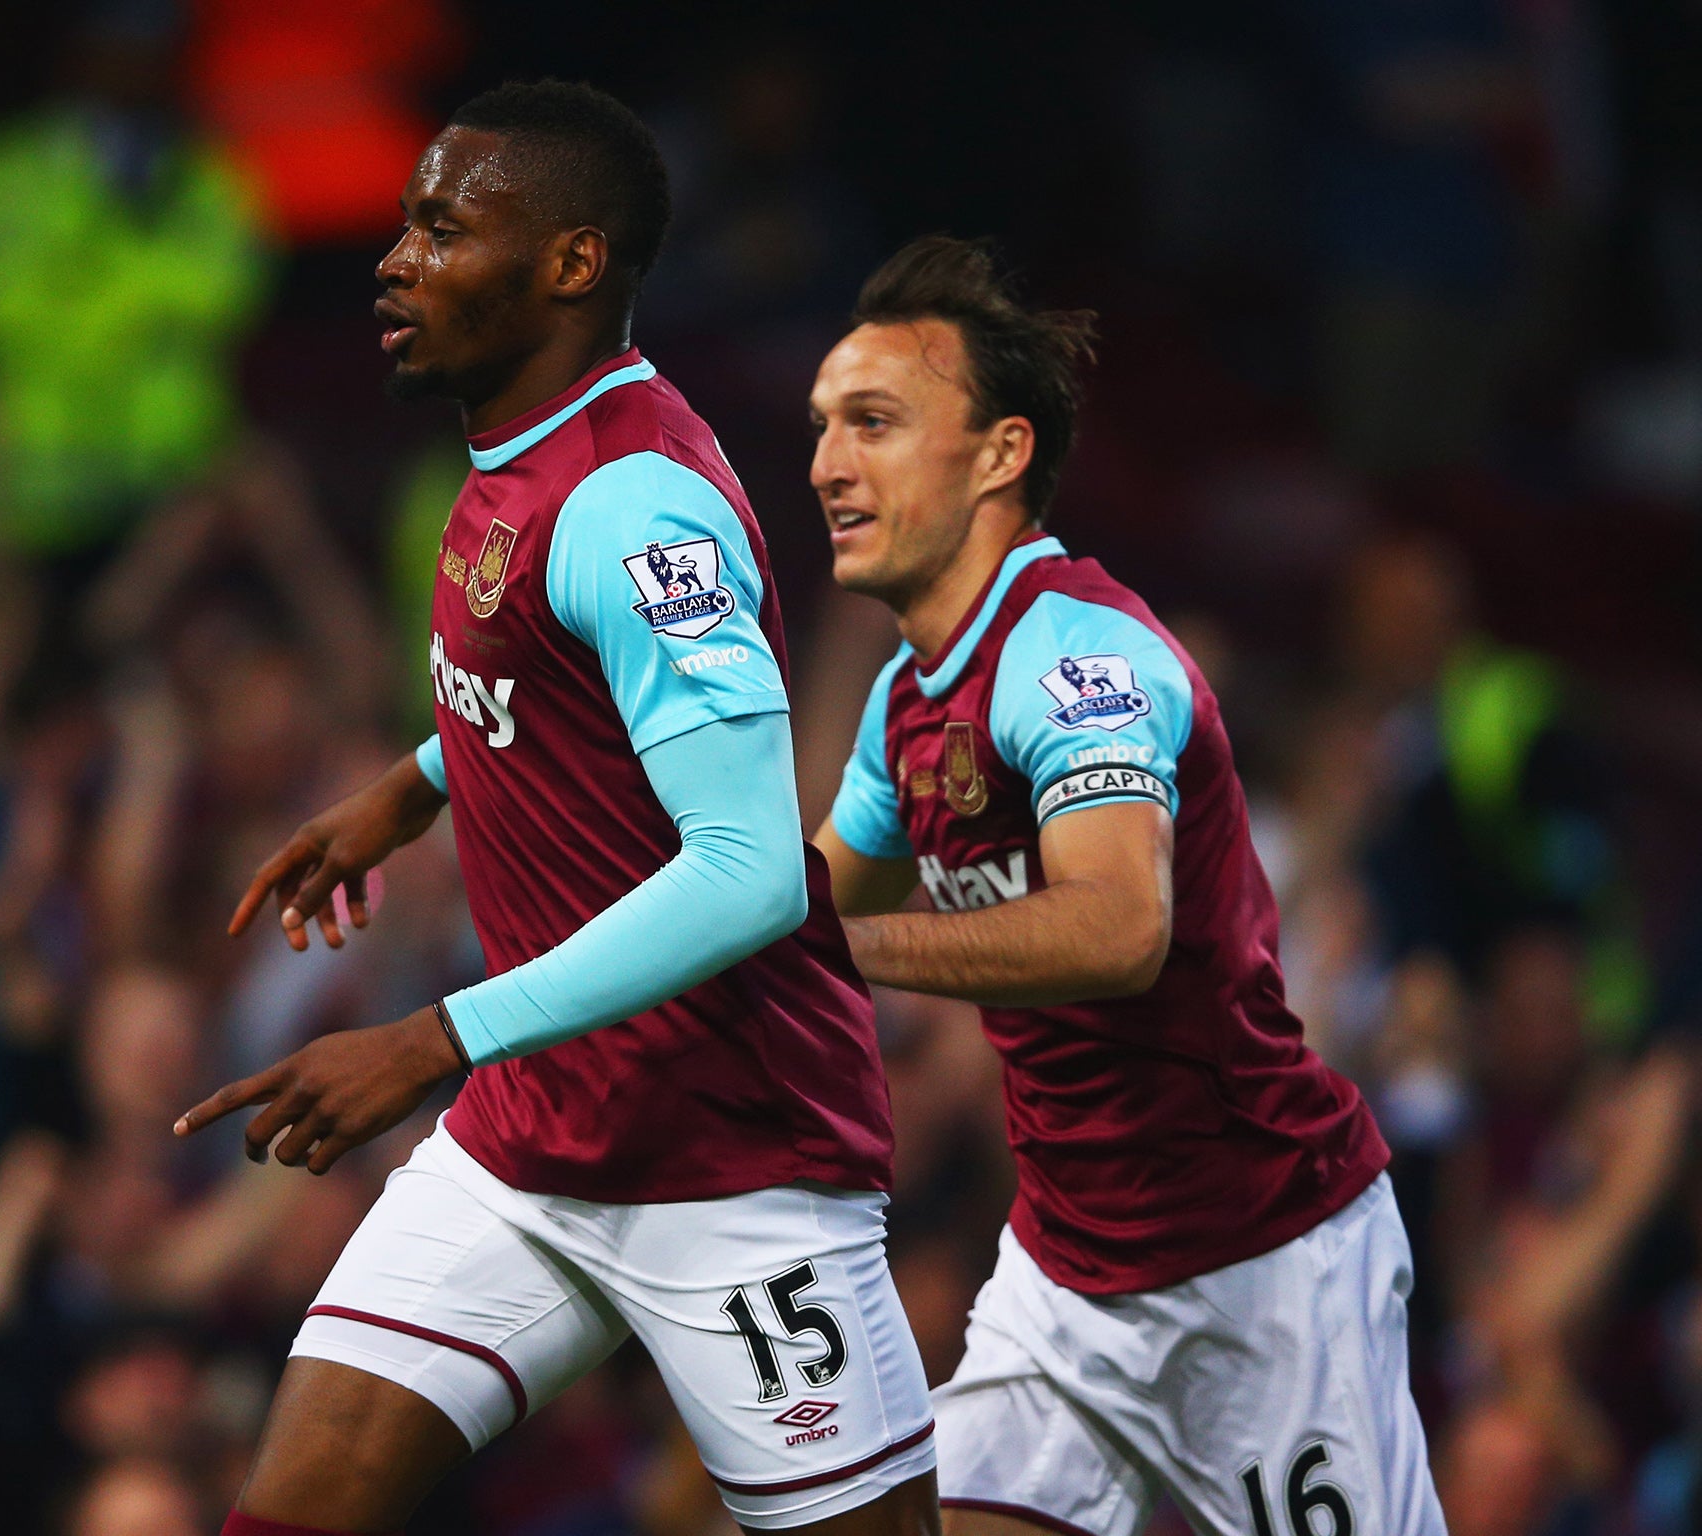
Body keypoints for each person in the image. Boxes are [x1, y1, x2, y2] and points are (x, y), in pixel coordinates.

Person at [174, 82, 939, 1536]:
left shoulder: (636, 507)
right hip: (534, 1135)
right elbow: (563, 685)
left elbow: (748, 871)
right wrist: (410, 788)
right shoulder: (514, 457)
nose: (397, 260)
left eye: (446, 230)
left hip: (731, 1161)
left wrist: (428, 1038)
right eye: (406, 224)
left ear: (573, 265)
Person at [807, 236, 1446, 1536]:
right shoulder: (904, 701)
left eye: (875, 423)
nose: (827, 465)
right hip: (1071, 1272)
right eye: (824, 425)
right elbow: (793, 908)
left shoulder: (1079, 658)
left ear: (1000, 453)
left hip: (1262, 1265)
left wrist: (841, 942)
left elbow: (1115, 927)